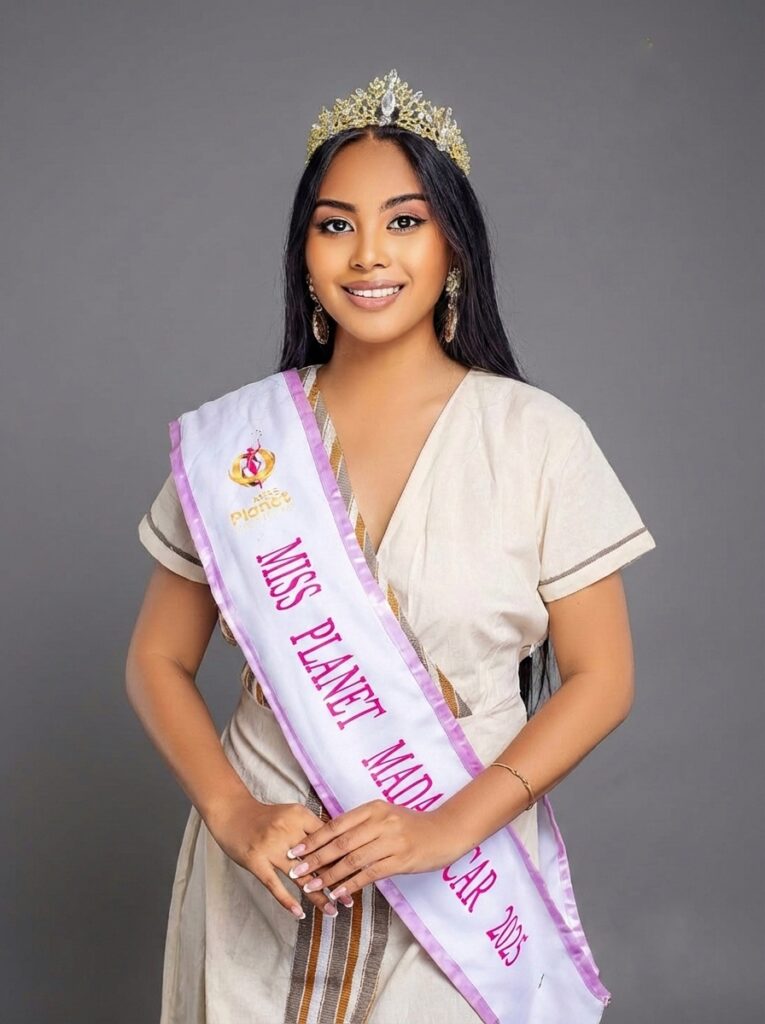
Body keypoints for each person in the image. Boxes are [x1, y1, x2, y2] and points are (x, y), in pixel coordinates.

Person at [126, 69, 656, 1023]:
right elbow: (156, 659)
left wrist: (447, 829)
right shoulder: (238, 447)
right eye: (335, 225)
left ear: (453, 245)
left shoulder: (534, 438)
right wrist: (233, 813)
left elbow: (602, 677)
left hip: (461, 884)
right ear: (303, 254)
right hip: (262, 878)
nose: (368, 252)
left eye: (404, 221)